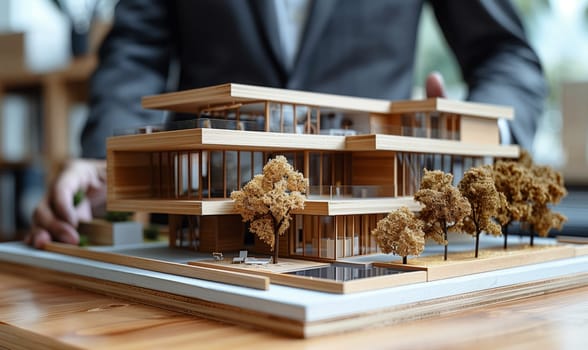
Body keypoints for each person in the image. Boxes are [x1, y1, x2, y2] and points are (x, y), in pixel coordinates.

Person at [27, 0, 547, 248]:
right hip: (206, 219)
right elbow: (135, 49)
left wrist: (476, 139)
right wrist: (111, 156)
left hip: (374, 222)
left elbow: (506, 54)